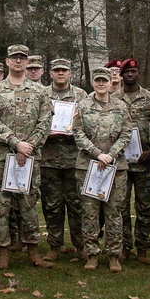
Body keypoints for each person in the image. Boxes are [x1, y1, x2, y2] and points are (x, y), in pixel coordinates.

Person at [0, 44, 55, 270]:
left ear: (27, 62)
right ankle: (1, 252)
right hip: (1, 157)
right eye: (14, 57)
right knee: (0, 205)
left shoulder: (40, 92)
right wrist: (16, 143)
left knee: (29, 204)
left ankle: (33, 251)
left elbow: (45, 122)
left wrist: (29, 146)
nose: (18, 61)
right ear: (7, 61)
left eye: (22, 58)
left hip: (30, 158)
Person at [73, 67, 132, 273]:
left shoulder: (121, 106)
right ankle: (91, 254)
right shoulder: (83, 106)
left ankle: (114, 255)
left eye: (104, 81)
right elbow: (78, 133)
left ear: (110, 83)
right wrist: (98, 153)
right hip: (88, 165)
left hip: (115, 167)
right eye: (97, 80)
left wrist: (111, 154)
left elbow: (126, 134)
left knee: (114, 212)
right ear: (92, 83)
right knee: (89, 212)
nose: (101, 84)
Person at [113, 57, 150, 264]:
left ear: (138, 74)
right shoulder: (113, 98)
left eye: (134, 72)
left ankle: (142, 247)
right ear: (121, 75)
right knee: (120, 206)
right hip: (120, 162)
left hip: (143, 161)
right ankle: (124, 246)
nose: (130, 75)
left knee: (144, 207)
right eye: (127, 72)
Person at [40, 58, 88, 261]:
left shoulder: (81, 95)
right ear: (50, 73)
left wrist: (75, 133)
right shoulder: (42, 95)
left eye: (64, 70)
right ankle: (54, 245)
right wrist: (46, 134)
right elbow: (36, 121)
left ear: (70, 73)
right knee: (52, 205)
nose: (60, 73)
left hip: (74, 159)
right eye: (57, 70)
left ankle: (81, 246)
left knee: (77, 204)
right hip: (49, 158)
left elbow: (88, 124)